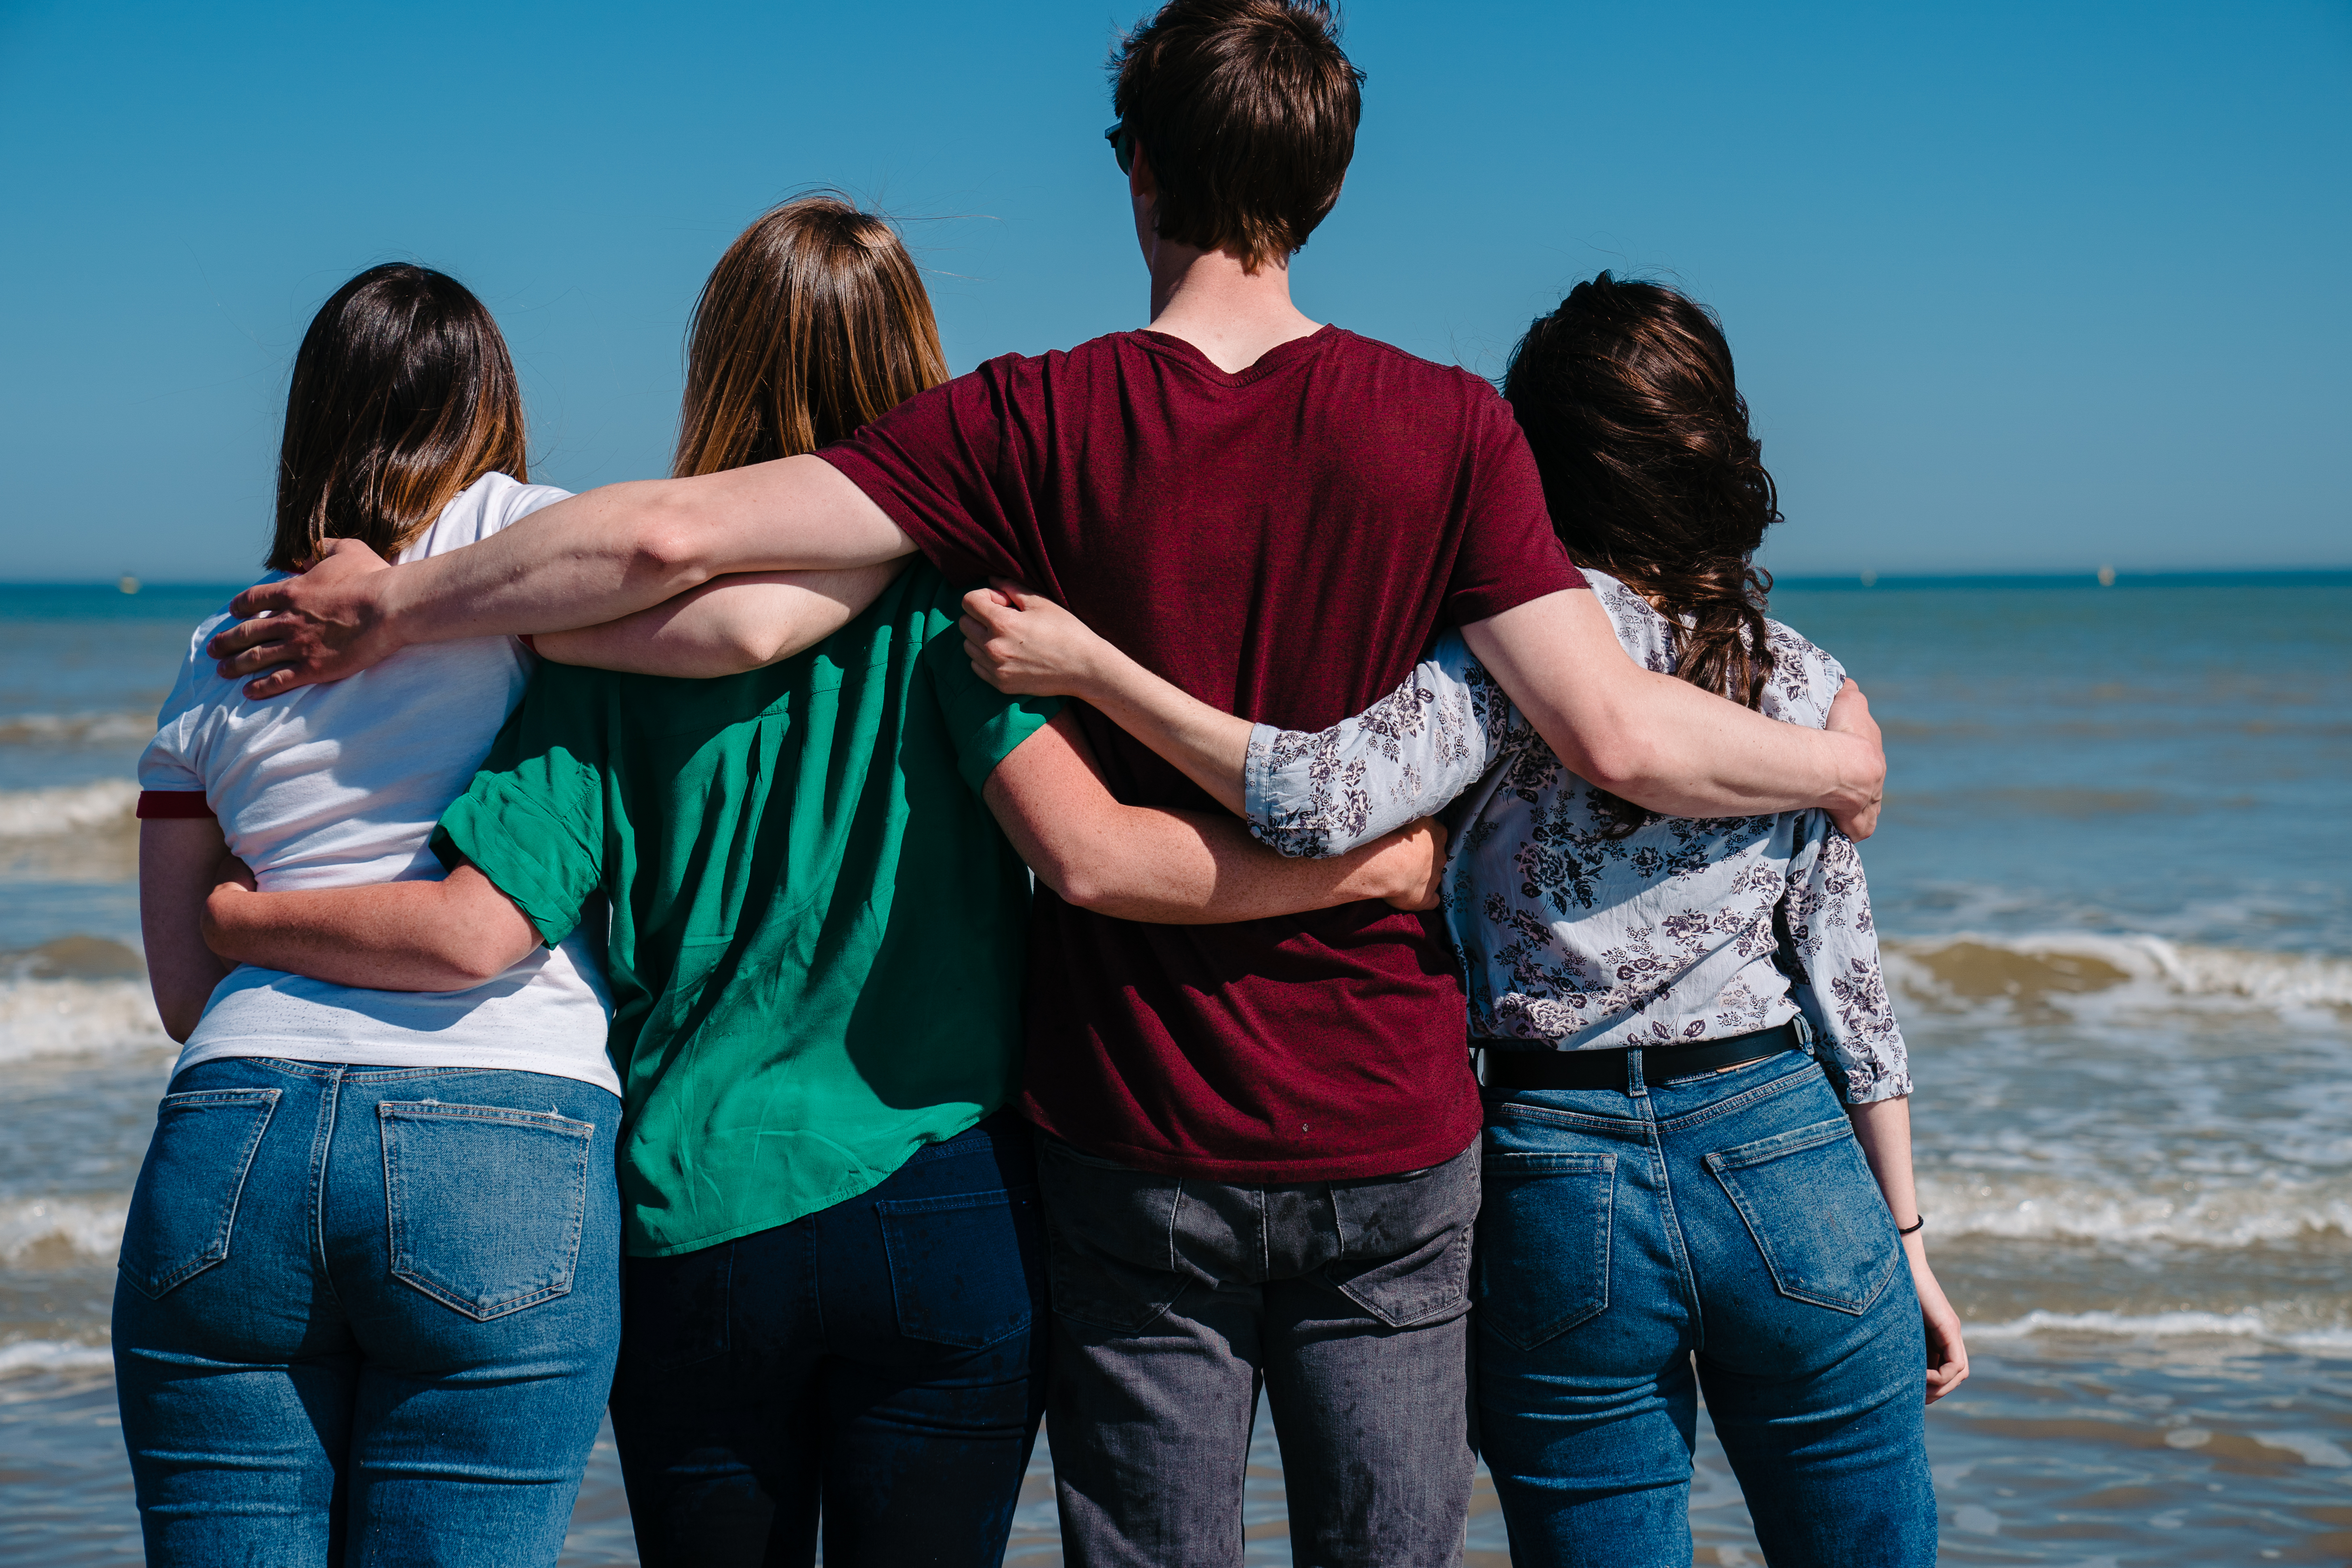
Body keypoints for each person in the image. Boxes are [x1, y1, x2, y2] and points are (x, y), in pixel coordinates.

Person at [201, 4, 1886, 1557]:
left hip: (1126, 1130)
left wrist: (395, 598)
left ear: (1138, 168)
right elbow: (1616, 731)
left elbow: (678, 543)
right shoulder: (1454, 427)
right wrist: (1840, 759)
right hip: (1386, 1120)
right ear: (1327, 183)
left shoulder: (1028, 424)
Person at [198, 195, 1450, 1568]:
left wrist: (245, 910)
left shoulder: (605, 651)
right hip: (943, 1193)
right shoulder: (976, 615)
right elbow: (1093, 854)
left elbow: (496, 910)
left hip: (695, 1212)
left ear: (715, 366)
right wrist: (1364, 867)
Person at [956, 274, 1969, 1566]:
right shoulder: (1807, 682)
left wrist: (1098, 671)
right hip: (1789, 1152)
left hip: (1558, 1168)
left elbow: (1312, 795)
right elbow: (1853, 993)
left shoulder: (1496, 661)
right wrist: (1907, 1238)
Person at [120, 263, 619, 1567]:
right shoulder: (523, 540)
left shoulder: (214, 648)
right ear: (487, 407)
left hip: (233, 1135)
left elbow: (184, 990)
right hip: (500, 1115)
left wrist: (244, 915)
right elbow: (671, 568)